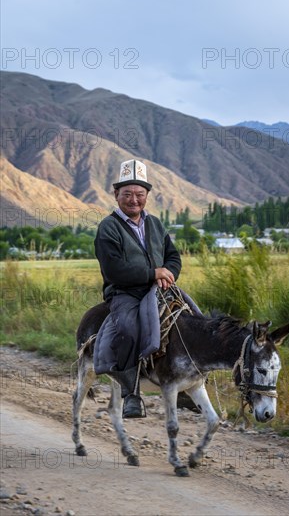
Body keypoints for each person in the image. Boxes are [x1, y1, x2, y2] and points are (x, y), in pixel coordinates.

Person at [94, 159, 182, 418]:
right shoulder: (108, 227)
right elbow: (114, 270)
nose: (134, 200)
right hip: (124, 293)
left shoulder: (155, 223)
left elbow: (173, 257)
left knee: (189, 320)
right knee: (128, 329)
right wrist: (152, 273)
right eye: (128, 194)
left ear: (147, 196)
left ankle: (187, 384)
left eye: (139, 194)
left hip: (160, 289)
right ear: (116, 194)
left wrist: (169, 274)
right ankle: (131, 392)